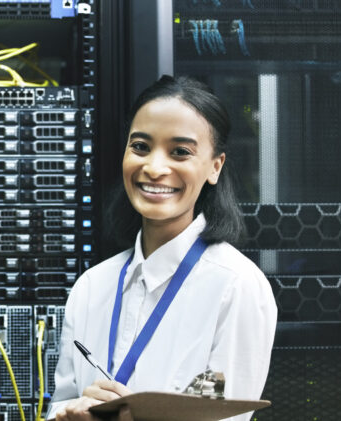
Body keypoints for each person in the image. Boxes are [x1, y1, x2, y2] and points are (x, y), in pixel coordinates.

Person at [49, 76, 277, 421]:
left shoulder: (235, 287)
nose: (154, 168)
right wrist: (73, 414)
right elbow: (59, 404)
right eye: (140, 146)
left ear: (215, 167)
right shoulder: (92, 286)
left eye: (180, 152)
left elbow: (221, 417)